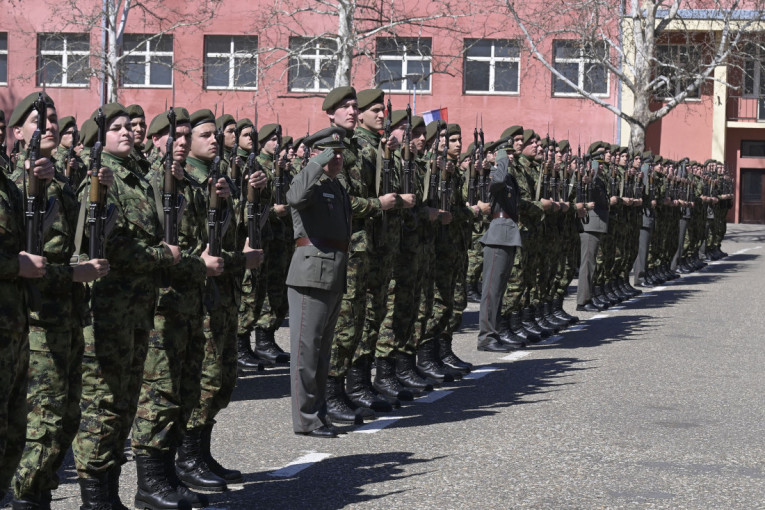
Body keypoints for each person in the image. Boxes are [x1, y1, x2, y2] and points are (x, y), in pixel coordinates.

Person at [287, 126, 351, 439]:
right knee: (305, 353)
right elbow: (295, 196)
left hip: (334, 272)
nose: (337, 158)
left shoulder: (336, 186)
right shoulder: (309, 180)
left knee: (323, 352)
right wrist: (314, 163)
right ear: (316, 153)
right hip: (310, 272)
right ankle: (305, 419)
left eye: (340, 152)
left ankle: (319, 413)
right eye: (330, 152)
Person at [477, 144, 523, 352]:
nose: (510, 157)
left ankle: (495, 332)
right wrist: (500, 160)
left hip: (509, 233)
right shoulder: (492, 174)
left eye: (511, 153)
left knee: (500, 290)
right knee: (491, 291)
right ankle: (486, 337)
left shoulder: (508, 176)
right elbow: (497, 181)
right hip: (497, 234)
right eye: (506, 152)